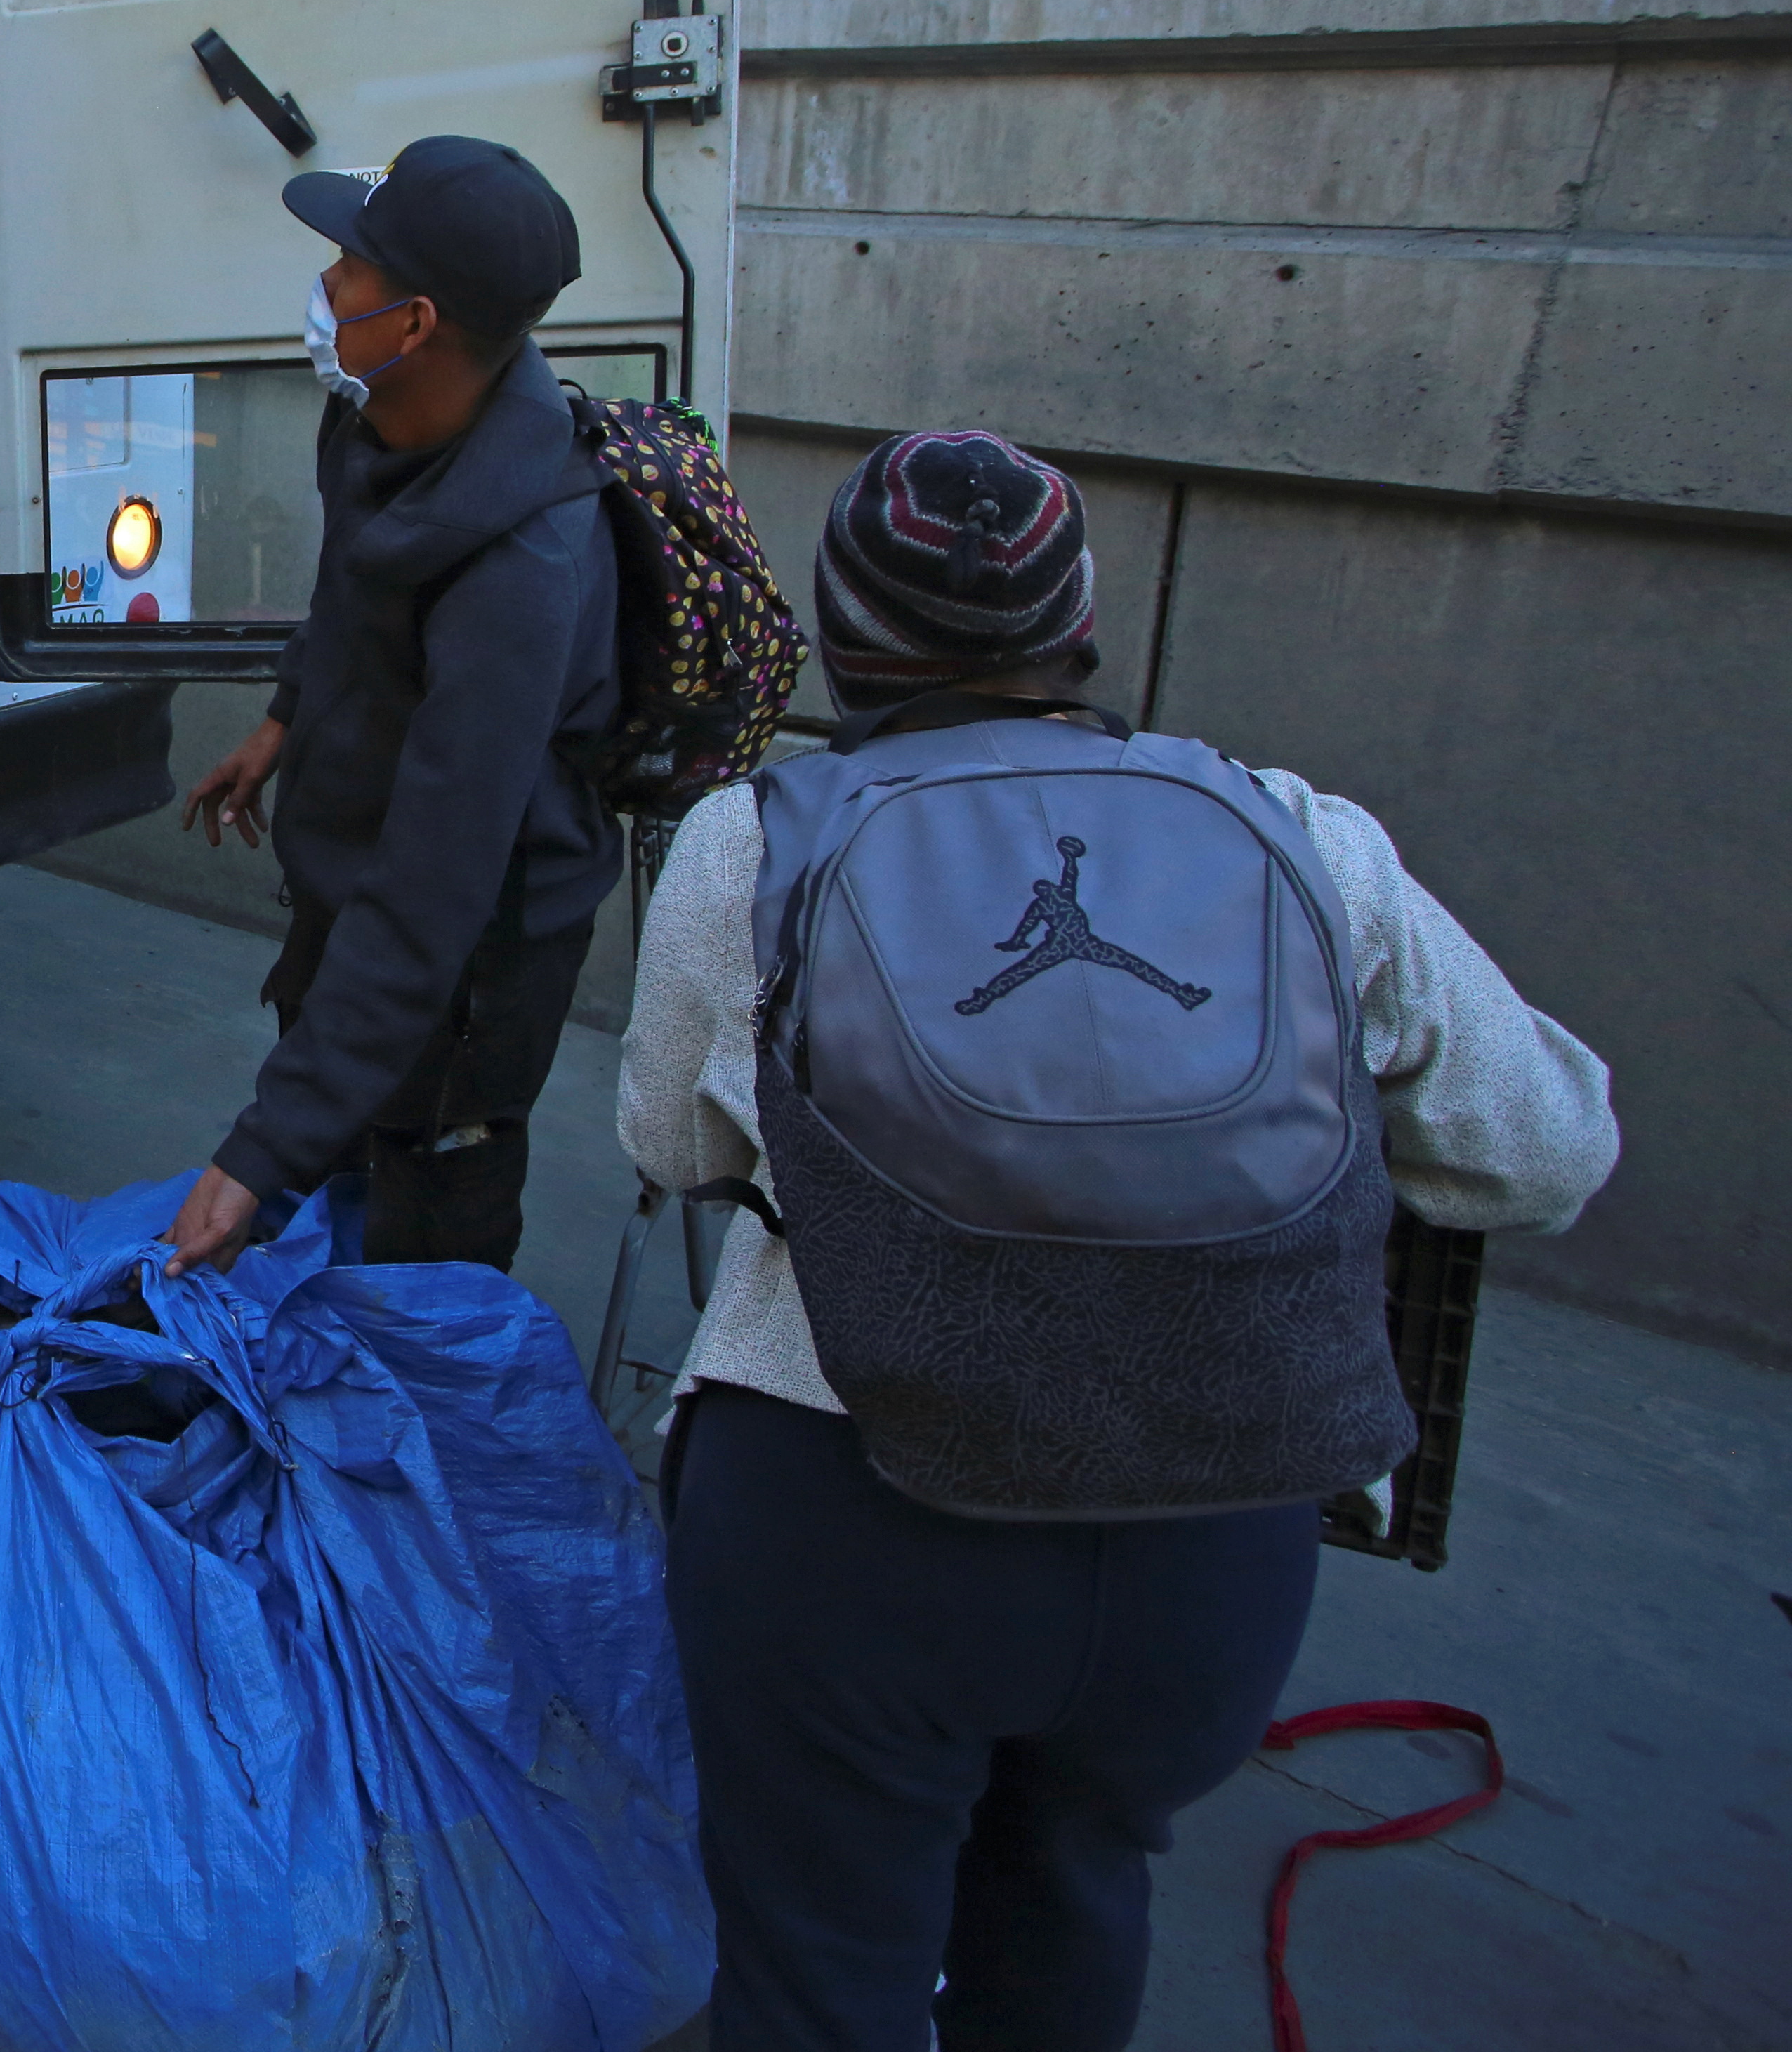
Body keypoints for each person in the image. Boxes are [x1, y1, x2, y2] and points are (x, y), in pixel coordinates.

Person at [618, 430, 1618, 2052]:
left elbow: (672, 1140)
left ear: (840, 628)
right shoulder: (1304, 834)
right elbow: (1546, 1149)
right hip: (1210, 1527)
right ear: (1078, 618)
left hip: (844, 1509)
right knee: (1078, 1888)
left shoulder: (752, 842)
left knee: (821, 1959)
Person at [162, 136, 620, 1279]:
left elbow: (432, 890)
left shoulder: (523, 567)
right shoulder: (373, 416)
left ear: (414, 322)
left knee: (422, 1257)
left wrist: (258, 1151)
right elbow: (352, 587)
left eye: (348, 267)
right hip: (359, 906)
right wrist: (286, 715)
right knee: (333, 1191)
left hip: (467, 968)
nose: (324, 285)